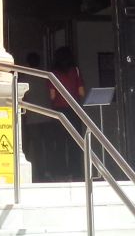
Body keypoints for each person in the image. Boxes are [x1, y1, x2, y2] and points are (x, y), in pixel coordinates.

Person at [47, 46, 86, 179]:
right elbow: (81, 92)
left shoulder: (53, 73)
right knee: (75, 142)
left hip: (59, 111)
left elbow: (52, 95)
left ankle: (60, 172)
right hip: (74, 110)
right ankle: (75, 172)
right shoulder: (75, 70)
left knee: (59, 143)